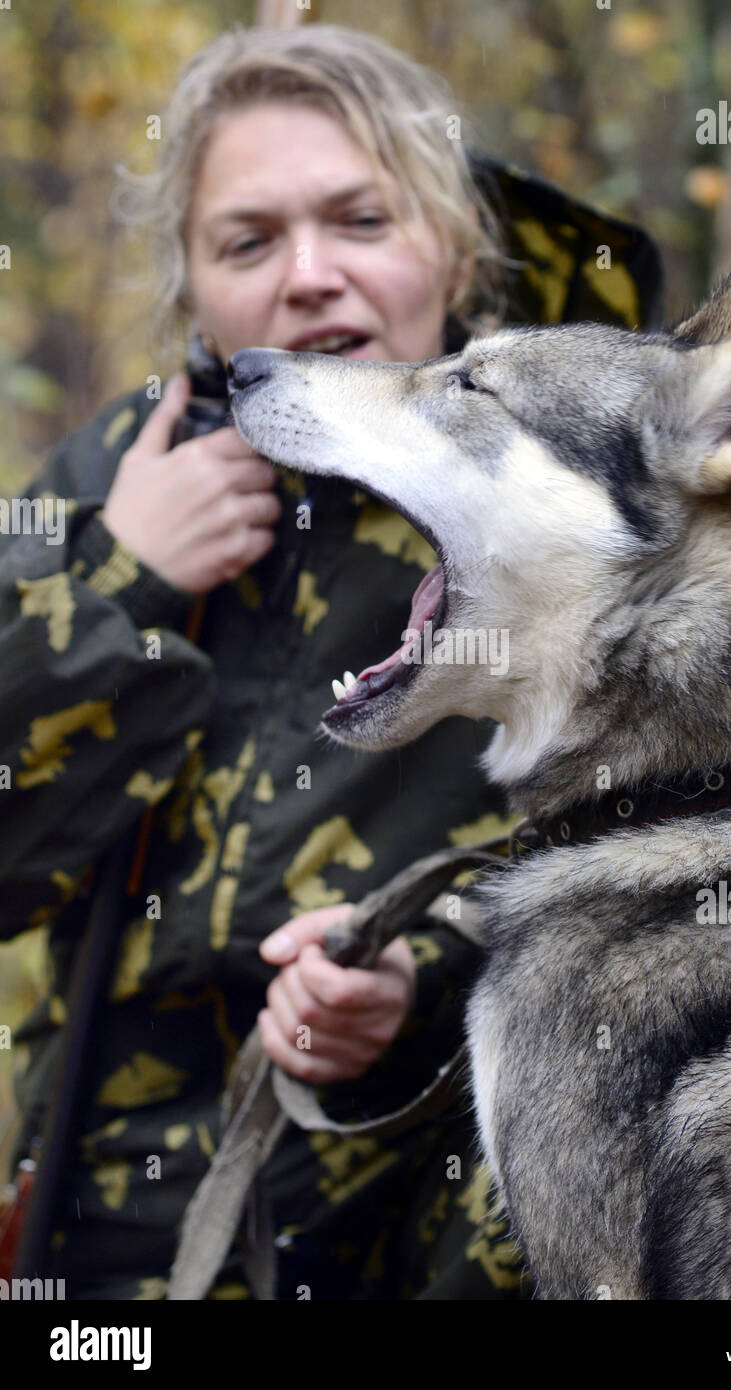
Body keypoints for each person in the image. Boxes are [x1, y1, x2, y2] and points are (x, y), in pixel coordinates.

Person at [0, 24, 661, 1300]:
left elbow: (684, 879)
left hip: (422, 1230)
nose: (308, 275)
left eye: (361, 220)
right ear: (191, 288)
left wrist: (417, 977)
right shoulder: (114, 479)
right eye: (246, 241)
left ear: (455, 248)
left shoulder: (569, 490)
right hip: (104, 1248)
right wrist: (124, 580)